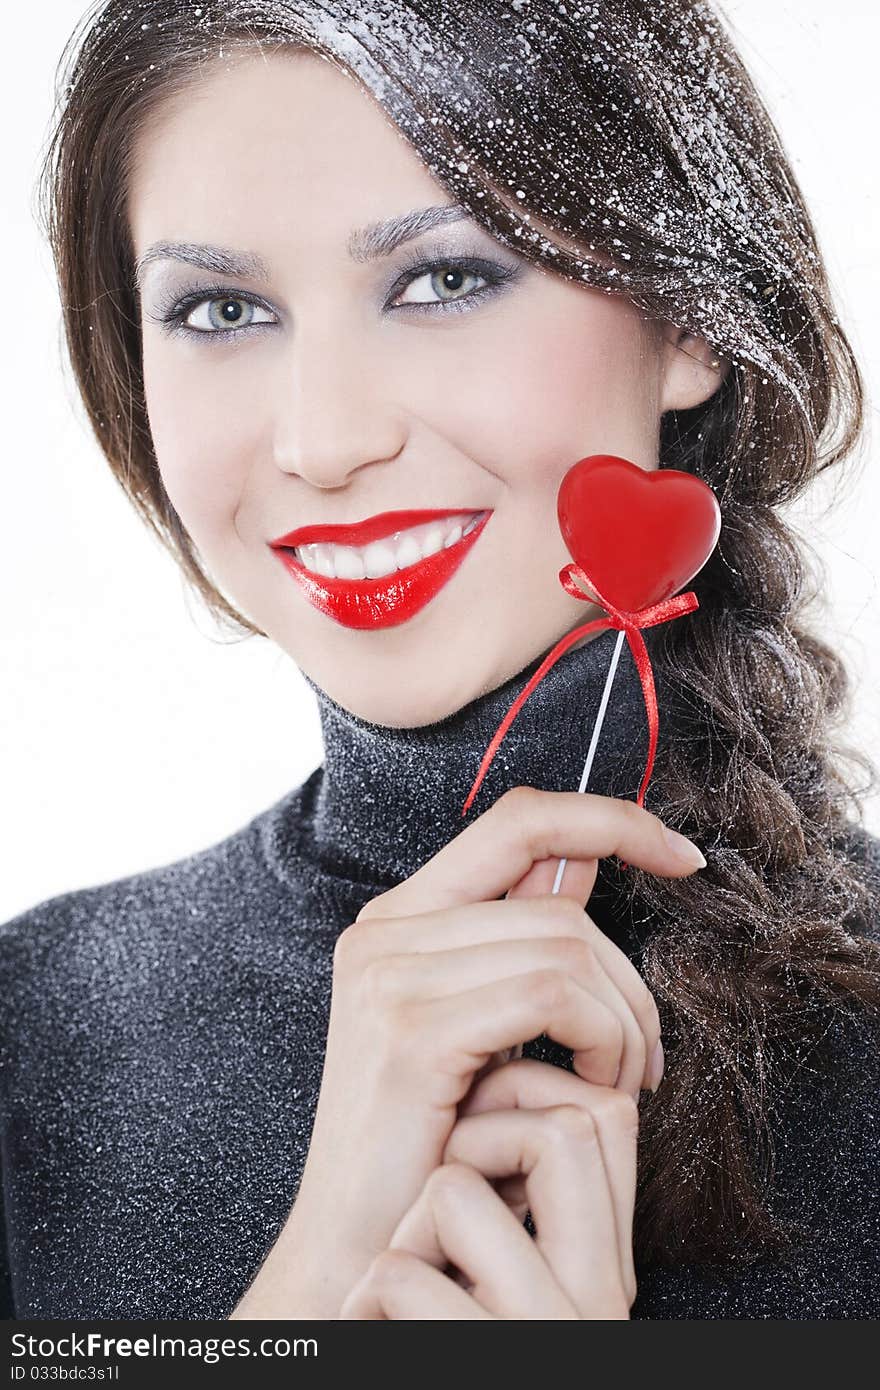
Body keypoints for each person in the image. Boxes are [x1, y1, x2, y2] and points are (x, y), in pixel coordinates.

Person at [2, 0, 878, 1320]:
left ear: (689, 314)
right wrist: (303, 1300)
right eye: (224, 307)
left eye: (445, 280)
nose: (324, 438)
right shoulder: (36, 1037)